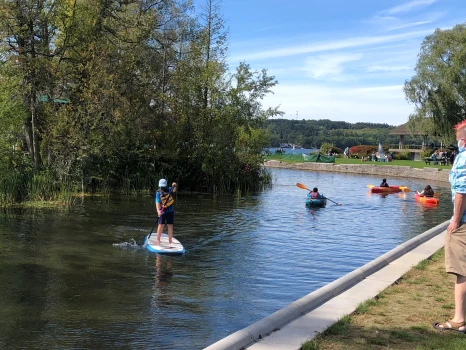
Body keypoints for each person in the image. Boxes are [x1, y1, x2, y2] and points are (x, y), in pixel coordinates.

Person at [433, 120, 466, 333]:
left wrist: (455, 219)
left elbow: (462, 190)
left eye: (458, 131)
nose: (455, 134)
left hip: (463, 222)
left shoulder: (464, 157)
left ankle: (459, 320)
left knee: (461, 271)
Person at [155, 179, 177, 245]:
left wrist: (174, 185)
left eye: (163, 186)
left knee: (170, 225)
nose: (162, 188)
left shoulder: (170, 189)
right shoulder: (158, 193)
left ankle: (170, 240)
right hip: (163, 211)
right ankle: (158, 240)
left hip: (170, 211)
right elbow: (157, 202)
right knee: (161, 225)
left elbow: (174, 190)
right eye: (161, 186)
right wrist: (158, 211)